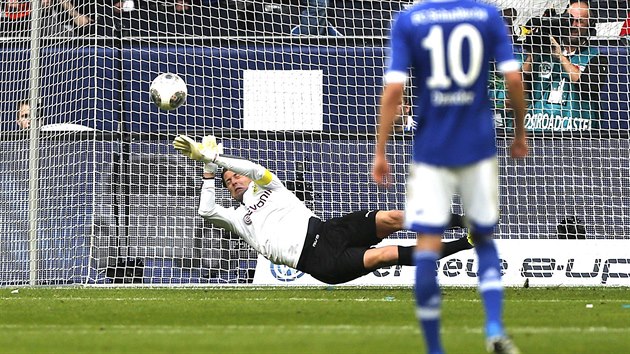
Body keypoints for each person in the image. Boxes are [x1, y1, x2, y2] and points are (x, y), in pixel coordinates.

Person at [371, 1, 528, 353]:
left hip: (431, 151)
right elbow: (514, 77)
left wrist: (380, 150)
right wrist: (519, 132)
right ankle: (493, 329)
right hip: (478, 147)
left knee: (427, 244)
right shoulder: (486, 15)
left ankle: (434, 349)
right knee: (483, 239)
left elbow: (394, 91)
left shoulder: (409, 20)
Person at [172, 135, 473, 285]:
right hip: (320, 261)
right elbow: (206, 211)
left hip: (329, 230)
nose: (234, 179)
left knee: (394, 217)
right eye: (229, 181)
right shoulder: (237, 218)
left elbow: (251, 168)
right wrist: (210, 169)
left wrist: (219, 158)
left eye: (234, 175)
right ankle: (466, 243)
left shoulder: (269, 185)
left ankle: (465, 220)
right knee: (387, 254)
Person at [522, 0, 608, 132]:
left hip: (577, 133)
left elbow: (587, 86)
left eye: (580, 21)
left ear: (589, 26)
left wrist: (560, 56)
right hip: (538, 130)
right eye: (569, 20)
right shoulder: (543, 52)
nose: (573, 25)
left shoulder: (596, 57)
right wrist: (533, 53)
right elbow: (520, 87)